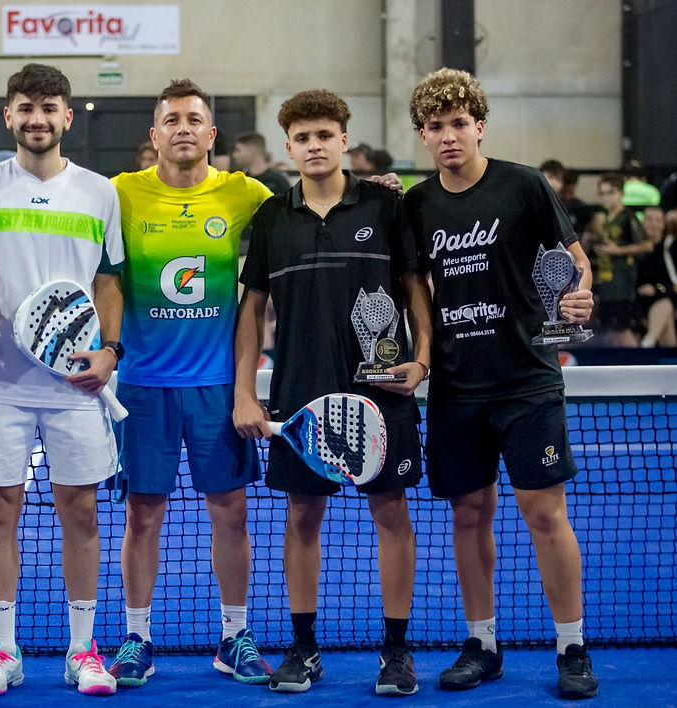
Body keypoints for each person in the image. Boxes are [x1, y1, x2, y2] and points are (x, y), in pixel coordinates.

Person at [402, 67, 599, 700]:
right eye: (436, 127)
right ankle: (482, 644)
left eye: (460, 123)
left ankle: (571, 646)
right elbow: (416, 293)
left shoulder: (525, 187)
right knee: (468, 515)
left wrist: (582, 296)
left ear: (479, 126)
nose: (449, 135)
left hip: (527, 381)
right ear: (423, 137)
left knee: (545, 513)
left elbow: (574, 263)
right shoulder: (416, 204)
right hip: (458, 388)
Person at [0, 63, 124, 698]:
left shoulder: (100, 192)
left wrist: (110, 351)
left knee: (83, 512)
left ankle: (83, 650)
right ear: (10, 115)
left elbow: (107, 282)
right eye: (25, 106)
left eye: (49, 107)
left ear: (68, 117)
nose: (37, 117)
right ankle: (2, 651)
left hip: (78, 383)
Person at [233, 89, 431, 696]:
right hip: (299, 391)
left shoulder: (386, 205)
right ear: (288, 147)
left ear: (344, 139)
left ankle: (396, 653)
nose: (314, 146)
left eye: (325, 135)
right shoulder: (271, 218)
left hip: (382, 388)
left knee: (390, 512)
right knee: (302, 513)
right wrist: (246, 392)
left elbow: (416, 290)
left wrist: (422, 361)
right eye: (302, 138)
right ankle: (304, 648)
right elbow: (253, 309)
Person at [107, 79, 275, 688]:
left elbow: (315, 204)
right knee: (143, 514)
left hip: (217, 385)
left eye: (194, 119)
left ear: (211, 134)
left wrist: (377, 191)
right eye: (171, 119)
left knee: (230, 512)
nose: (183, 127)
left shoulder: (245, 194)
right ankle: (136, 638)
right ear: (154, 136)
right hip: (142, 386)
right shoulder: (120, 193)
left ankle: (235, 637)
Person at [593, 172, 649, 346]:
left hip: (621, 284)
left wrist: (618, 250)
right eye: (602, 193)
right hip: (607, 283)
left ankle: (638, 366)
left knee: (622, 331)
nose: (605, 198)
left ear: (621, 193)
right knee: (610, 332)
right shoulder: (607, 219)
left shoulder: (627, 217)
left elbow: (646, 245)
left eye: (610, 193)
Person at [635, 206, 677, 347]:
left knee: (666, 303)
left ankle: (650, 341)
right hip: (641, 301)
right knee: (668, 320)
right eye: (649, 220)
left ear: (664, 224)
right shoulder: (635, 249)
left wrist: (656, 289)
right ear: (642, 223)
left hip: (667, 296)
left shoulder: (669, 248)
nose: (653, 224)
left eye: (658, 220)